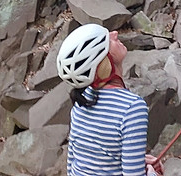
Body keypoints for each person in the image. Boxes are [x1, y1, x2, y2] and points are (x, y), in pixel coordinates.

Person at [57, 23, 163, 176]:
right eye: (107, 40)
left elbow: (74, 163)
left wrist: (137, 161)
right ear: (102, 61)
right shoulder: (131, 108)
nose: (114, 33)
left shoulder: (82, 102)